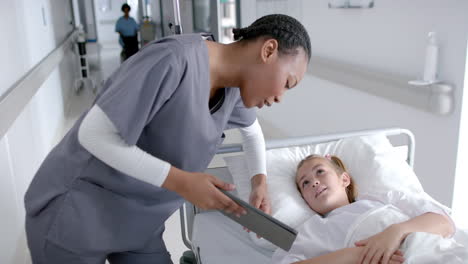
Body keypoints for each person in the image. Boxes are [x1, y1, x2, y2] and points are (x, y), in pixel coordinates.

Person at [24, 14, 311, 263]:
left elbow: (252, 132)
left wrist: (259, 181)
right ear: (269, 50)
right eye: (287, 83)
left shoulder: (234, 87)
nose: (279, 98)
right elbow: (93, 133)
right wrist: (182, 182)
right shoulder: (173, 60)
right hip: (78, 215)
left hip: (139, 224)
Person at [272, 154, 457, 264]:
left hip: (430, 252)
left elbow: (444, 223)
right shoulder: (312, 230)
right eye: (305, 183)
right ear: (305, 200)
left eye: (320, 171)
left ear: (344, 179)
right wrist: (357, 254)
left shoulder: (383, 199)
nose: (314, 182)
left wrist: (395, 232)